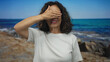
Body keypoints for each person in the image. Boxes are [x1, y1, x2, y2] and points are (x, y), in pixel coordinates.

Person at [14, 1, 83, 62]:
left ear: (63, 16)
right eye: (50, 14)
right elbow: (17, 27)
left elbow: (77, 60)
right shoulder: (38, 34)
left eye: (56, 13)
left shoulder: (72, 38)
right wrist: (42, 16)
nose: (53, 17)